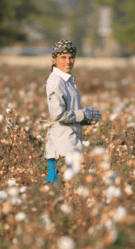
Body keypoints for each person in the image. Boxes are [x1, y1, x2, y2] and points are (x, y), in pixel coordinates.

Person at [43, 39, 102, 185]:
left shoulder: (67, 80)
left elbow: (69, 112)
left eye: (71, 57)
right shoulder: (57, 80)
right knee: (67, 185)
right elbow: (58, 115)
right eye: (63, 57)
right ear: (54, 59)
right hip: (62, 144)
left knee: (65, 187)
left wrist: (88, 119)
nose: (68, 62)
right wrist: (84, 114)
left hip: (68, 141)